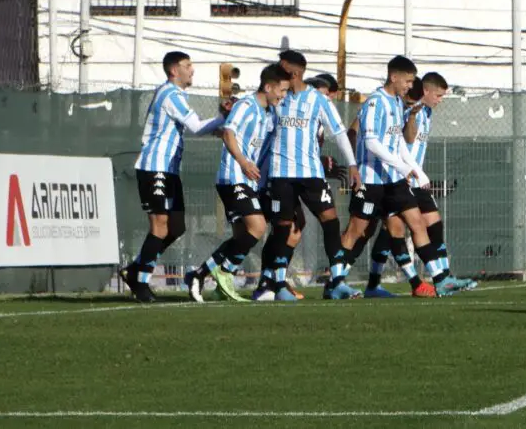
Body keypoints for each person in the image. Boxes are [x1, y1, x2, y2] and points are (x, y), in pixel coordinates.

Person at [356, 73, 477, 297]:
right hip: (397, 176)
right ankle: (407, 281)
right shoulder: (398, 107)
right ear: (426, 92)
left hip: (413, 175)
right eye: (438, 95)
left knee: (428, 224)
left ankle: (441, 276)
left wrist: (418, 171)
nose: (441, 100)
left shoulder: (426, 112)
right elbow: (405, 140)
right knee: (391, 229)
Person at [332, 55, 442, 300]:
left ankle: (439, 279)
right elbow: (370, 141)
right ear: (394, 77)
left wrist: (413, 168)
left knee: (413, 223)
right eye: (407, 81)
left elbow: (399, 142)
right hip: (371, 179)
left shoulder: (396, 103)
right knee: (357, 232)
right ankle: (335, 281)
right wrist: (358, 165)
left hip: (392, 180)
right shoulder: (375, 103)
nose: (408, 86)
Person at [120, 51, 226, 303]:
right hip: (154, 167)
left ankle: (135, 269)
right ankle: (141, 281)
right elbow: (197, 127)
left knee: (177, 226)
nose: (192, 70)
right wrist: (223, 117)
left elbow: (195, 127)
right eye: (187, 65)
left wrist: (220, 127)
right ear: (173, 71)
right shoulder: (171, 94)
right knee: (160, 225)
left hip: (168, 169)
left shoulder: (176, 95)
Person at [184, 63, 291, 302]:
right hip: (233, 177)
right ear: (268, 86)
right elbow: (228, 132)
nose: (283, 96)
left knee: (243, 236)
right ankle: (212, 273)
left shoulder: (270, 113)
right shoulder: (246, 105)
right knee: (258, 227)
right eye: (281, 91)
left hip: (248, 182)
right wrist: (243, 162)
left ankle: (213, 278)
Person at [265, 50, 361, 301]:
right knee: (284, 227)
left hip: (310, 173)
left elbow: (339, 132)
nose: (277, 69)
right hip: (280, 174)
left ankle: (337, 281)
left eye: (282, 66)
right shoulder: (274, 96)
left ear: (294, 72)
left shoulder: (318, 100)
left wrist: (352, 164)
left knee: (330, 220)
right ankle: (278, 284)